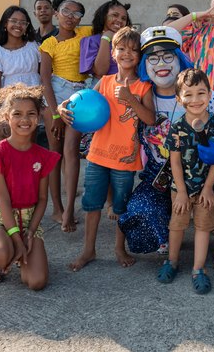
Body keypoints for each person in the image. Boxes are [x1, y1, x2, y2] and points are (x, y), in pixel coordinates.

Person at [116, 26, 214, 281]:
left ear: (180, 59)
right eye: (153, 58)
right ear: (144, 64)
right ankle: (168, 243)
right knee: (139, 214)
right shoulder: (139, 95)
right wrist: (66, 108)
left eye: (168, 56)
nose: (161, 64)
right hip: (161, 175)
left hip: (207, 172)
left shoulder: (205, 95)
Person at [59, 27, 155, 271]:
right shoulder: (105, 81)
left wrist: (130, 99)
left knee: (121, 207)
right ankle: (88, 250)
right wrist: (62, 108)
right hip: (98, 155)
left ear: (140, 56)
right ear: (113, 53)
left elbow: (151, 119)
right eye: (121, 48)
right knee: (92, 205)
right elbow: (80, 101)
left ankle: (118, 248)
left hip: (125, 159)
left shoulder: (144, 86)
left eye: (133, 50)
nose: (127, 54)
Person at [0, 84, 59, 289]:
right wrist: (16, 238)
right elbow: (3, 200)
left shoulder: (43, 156)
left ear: (38, 117)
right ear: (6, 117)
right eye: (17, 114)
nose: (24, 120)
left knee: (36, 282)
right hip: (1, 218)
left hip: (29, 221)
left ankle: (18, 252)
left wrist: (29, 233)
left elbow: (42, 199)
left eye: (31, 114)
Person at [157, 68, 214, 294]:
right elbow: (175, 162)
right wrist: (180, 191)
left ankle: (198, 269)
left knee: (202, 227)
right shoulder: (177, 127)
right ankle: (171, 261)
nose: (195, 99)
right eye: (188, 94)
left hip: (207, 188)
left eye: (201, 93)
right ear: (179, 100)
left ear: (210, 95)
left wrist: (208, 188)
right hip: (180, 187)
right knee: (177, 225)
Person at [39, 0, 92, 231]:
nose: (71, 16)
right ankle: (57, 209)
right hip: (56, 95)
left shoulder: (86, 34)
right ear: (56, 14)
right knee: (55, 154)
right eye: (66, 11)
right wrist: (55, 114)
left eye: (77, 13)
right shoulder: (49, 44)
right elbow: (44, 80)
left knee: (71, 150)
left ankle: (69, 208)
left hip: (79, 94)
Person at [0, 6, 41, 141]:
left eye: (23, 22)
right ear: (5, 23)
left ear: (27, 26)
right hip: (10, 103)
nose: (18, 25)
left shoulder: (34, 46)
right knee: (7, 143)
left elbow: (44, 75)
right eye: (14, 21)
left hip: (34, 101)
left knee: (30, 142)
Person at [80, 0, 132, 79]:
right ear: (103, 16)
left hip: (126, 85)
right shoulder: (91, 41)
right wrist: (105, 39)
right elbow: (100, 72)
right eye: (115, 15)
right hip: (102, 87)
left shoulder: (129, 42)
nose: (119, 20)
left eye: (123, 18)